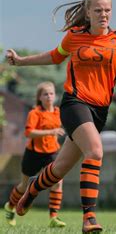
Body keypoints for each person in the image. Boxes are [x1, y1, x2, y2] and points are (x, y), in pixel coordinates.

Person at [6, 0, 116, 233]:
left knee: (59, 169)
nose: (103, 14)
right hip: (74, 105)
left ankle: (33, 189)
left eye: (107, 10)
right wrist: (20, 60)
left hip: (99, 112)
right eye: (98, 10)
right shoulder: (75, 36)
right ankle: (89, 216)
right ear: (88, 13)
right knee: (95, 151)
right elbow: (54, 57)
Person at [3, 82, 66, 228]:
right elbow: (28, 132)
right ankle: (10, 206)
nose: (49, 96)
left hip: (51, 152)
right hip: (33, 153)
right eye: (45, 94)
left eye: (51, 93)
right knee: (24, 186)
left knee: (57, 182)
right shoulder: (35, 113)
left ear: (55, 96)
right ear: (39, 98)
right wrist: (51, 132)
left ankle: (53, 217)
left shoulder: (57, 112)